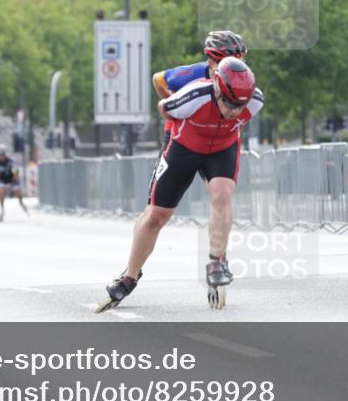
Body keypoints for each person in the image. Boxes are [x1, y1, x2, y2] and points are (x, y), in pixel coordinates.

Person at [97, 57, 264, 313]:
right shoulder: (193, 96)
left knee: (222, 194)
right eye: (229, 103)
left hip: (222, 149)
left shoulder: (254, 101)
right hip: (185, 148)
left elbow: (237, 111)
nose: (234, 110)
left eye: (239, 106)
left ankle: (216, 261)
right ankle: (129, 277)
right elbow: (164, 107)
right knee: (156, 216)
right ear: (217, 90)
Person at [151, 31, 248, 149]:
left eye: (240, 62)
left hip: (215, 133)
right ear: (212, 62)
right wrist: (175, 107)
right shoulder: (193, 73)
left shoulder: (243, 79)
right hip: (180, 133)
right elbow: (158, 79)